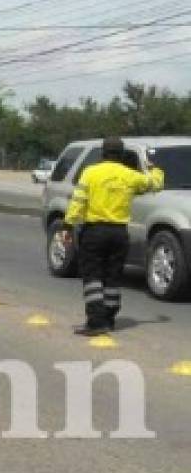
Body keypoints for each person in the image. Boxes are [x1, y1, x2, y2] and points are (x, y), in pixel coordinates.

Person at [61, 136, 164, 335]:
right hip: (119, 233)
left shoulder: (91, 173)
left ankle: (96, 322)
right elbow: (155, 184)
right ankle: (109, 318)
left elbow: (78, 201)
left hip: (95, 231)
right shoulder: (130, 175)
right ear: (122, 155)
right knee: (112, 277)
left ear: (103, 153)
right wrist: (154, 168)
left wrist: (67, 226)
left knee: (92, 277)